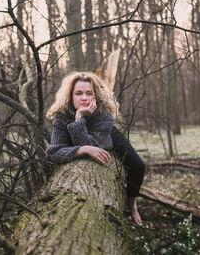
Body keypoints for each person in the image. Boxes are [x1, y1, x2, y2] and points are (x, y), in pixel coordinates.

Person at [46, 71, 145, 226]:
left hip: (108, 135)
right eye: (78, 93)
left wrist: (80, 122)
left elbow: (99, 148)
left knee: (138, 166)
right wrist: (82, 149)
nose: (84, 98)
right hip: (87, 141)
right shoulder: (61, 117)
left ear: (96, 95)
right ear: (70, 96)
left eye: (89, 93)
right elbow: (53, 153)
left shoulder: (103, 115)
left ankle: (132, 203)